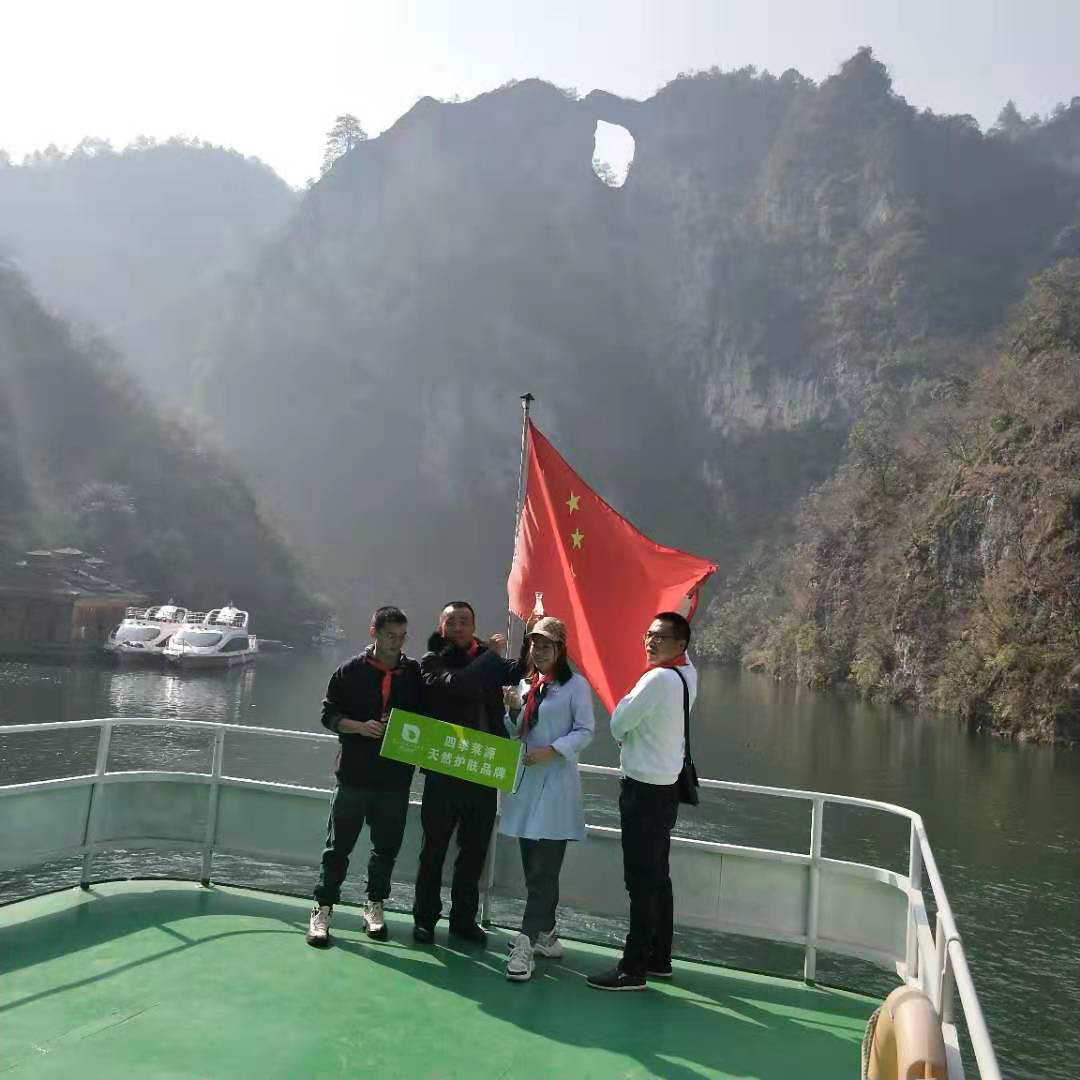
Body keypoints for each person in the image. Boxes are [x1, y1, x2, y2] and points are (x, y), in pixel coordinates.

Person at [586, 611, 697, 991]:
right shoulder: (687, 676)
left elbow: (618, 723)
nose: (651, 642)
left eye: (661, 637)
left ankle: (632, 968)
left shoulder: (657, 679)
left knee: (640, 881)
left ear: (680, 645)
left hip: (643, 791)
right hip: (666, 789)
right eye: (649, 635)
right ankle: (659, 957)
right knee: (658, 876)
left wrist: (627, 708)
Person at [306, 606, 425, 948]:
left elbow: (427, 717)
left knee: (385, 849)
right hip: (354, 776)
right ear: (374, 633)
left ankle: (374, 905)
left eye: (402, 637)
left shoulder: (413, 674)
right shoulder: (349, 671)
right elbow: (328, 715)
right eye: (390, 636)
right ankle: (323, 908)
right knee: (337, 848)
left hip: (395, 779)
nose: (396, 643)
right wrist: (359, 727)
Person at [501, 617, 594, 982]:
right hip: (526, 786)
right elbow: (518, 732)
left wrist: (553, 750)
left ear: (560, 649)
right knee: (533, 870)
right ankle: (548, 935)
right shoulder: (526, 684)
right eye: (534, 645)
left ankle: (525, 944)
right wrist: (512, 709)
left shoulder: (575, 687)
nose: (538, 652)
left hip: (556, 787)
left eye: (546, 646)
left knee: (545, 871)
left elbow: (585, 730)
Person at [412, 601, 507, 946]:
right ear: (441, 627)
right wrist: (490, 656)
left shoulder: (487, 659)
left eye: (464, 621)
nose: (458, 627)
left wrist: (532, 637)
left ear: (474, 626)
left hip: (482, 768)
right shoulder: (431, 661)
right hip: (444, 768)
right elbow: (458, 684)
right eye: (451, 621)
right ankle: (425, 919)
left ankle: (464, 920)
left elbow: (517, 671)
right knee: (433, 849)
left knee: (474, 851)